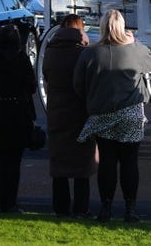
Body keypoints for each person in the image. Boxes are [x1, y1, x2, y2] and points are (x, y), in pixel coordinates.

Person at [73, 9, 151, 223]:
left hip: (101, 112)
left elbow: (78, 85)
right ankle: (130, 209)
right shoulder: (134, 51)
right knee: (130, 162)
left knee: (108, 162)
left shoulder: (90, 53)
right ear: (122, 27)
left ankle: (106, 208)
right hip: (130, 112)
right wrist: (134, 42)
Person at [0, 24, 37, 213]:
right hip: (17, 111)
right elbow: (32, 86)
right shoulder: (21, 59)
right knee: (14, 161)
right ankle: (10, 201)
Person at [43, 14, 97, 218]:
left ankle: (61, 207)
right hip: (79, 111)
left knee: (60, 163)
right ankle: (81, 208)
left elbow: (47, 77)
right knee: (82, 163)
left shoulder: (50, 52)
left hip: (57, 111)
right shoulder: (83, 53)